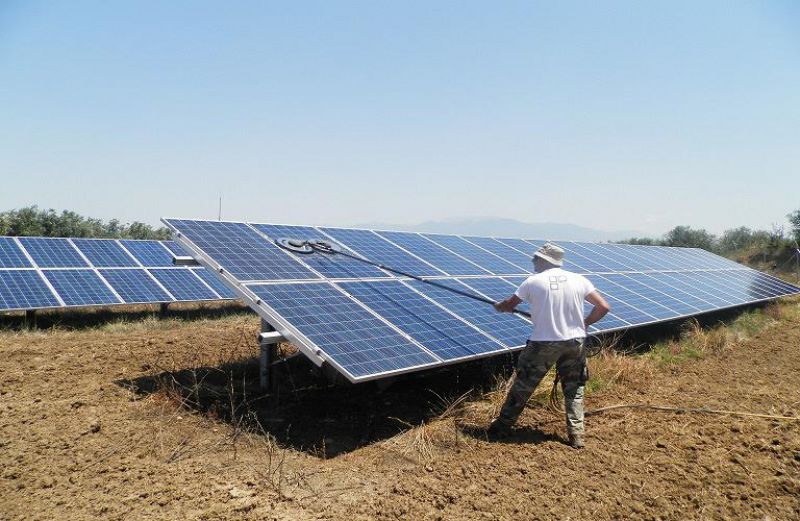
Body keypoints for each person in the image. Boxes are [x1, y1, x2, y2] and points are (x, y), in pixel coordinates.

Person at [489, 242, 610, 448]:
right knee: (574, 389)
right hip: (575, 342)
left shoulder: (532, 282)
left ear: (545, 260)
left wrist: (501, 307)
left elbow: (510, 305)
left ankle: (501, 428)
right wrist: (585, 323)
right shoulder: (579, 279)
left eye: (535, 258)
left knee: (523, 386)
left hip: (543, 343)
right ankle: (576, 435)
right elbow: (604, 306)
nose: (533, 261)